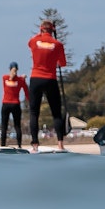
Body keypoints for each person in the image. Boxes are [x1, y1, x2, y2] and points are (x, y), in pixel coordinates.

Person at [27, 20, 67, 152]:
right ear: (53, 30)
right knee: (56, 113)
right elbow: (63, 63)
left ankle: (35, 145)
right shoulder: (58, 44)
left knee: (34, 113)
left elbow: (31, 42)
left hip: (36, 78)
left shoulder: (34, 41)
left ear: (41, 29)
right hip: (50, 79)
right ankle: (60, 144)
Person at [0, 61, 28, 147]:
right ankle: (19, 145)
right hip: (15, 104)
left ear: (9, 69)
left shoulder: (4, 78)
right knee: (17, 126)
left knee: (4, 126)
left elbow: (10, 78)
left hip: (6, 104)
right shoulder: (20, 80)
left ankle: (3, 145)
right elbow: (26, 91)